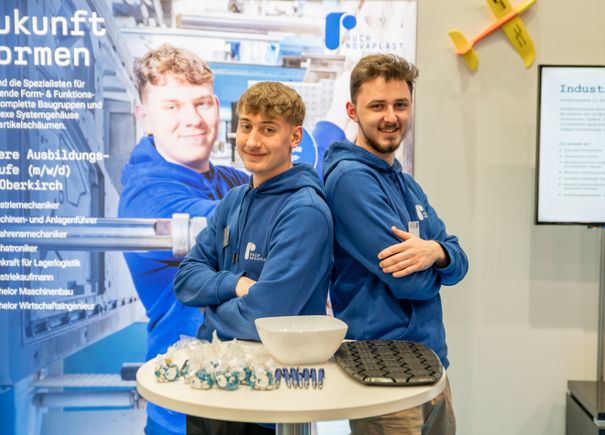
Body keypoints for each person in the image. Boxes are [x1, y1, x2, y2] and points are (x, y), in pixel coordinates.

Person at [173, 81, 333, 435]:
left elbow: (264, 317)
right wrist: (235, 284)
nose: (252, 141)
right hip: (212, 386)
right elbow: (185, 280)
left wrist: (210, 308)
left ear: (295, 137)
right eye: (246, 126)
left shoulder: (304, 211)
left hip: (267, 402)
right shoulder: (234, 200)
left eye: (268, 129)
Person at [322, 53, 469, 435]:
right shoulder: (350, 182)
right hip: (383, 374)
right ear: (352, 111)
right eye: (377, 106)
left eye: (400, 104)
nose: (391, 117)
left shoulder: (403, 182)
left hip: (431, 365)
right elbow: (411, 283)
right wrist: (438, 264)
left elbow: (459, 259)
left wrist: (436, 252)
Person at [118, 44, 248, 435]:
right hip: (187, 410)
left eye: (202, 103)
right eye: (172, 106)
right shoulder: (148, 193)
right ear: (145, 118)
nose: (192, 119)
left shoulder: (226, 179)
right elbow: (245, 219)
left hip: (244, 396)